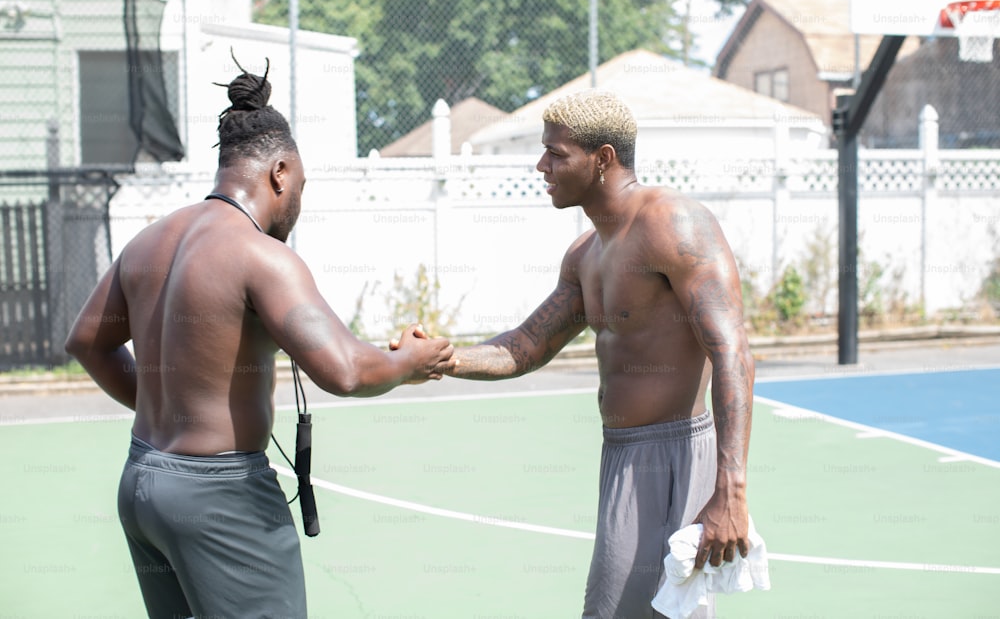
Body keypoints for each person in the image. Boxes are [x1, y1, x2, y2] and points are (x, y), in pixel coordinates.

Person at [64, 59, 454, 619]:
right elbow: (345, 370)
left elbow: (87, 342)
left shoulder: (149, 241)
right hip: (221, 499)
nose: (298, 202)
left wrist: (163, 405)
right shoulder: (263, 257)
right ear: (279, 173)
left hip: (143, 483)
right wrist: (412, 358)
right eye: (300, 186)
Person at [443, 89, 754, 618]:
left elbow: (733, 354)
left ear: (603, 158)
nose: (542, 165)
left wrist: (731, 490)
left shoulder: (673, 223)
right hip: (621, 454)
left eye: (556, 154)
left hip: (673, 455)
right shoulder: (585, 254)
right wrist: (442, 360)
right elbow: (523, 347)